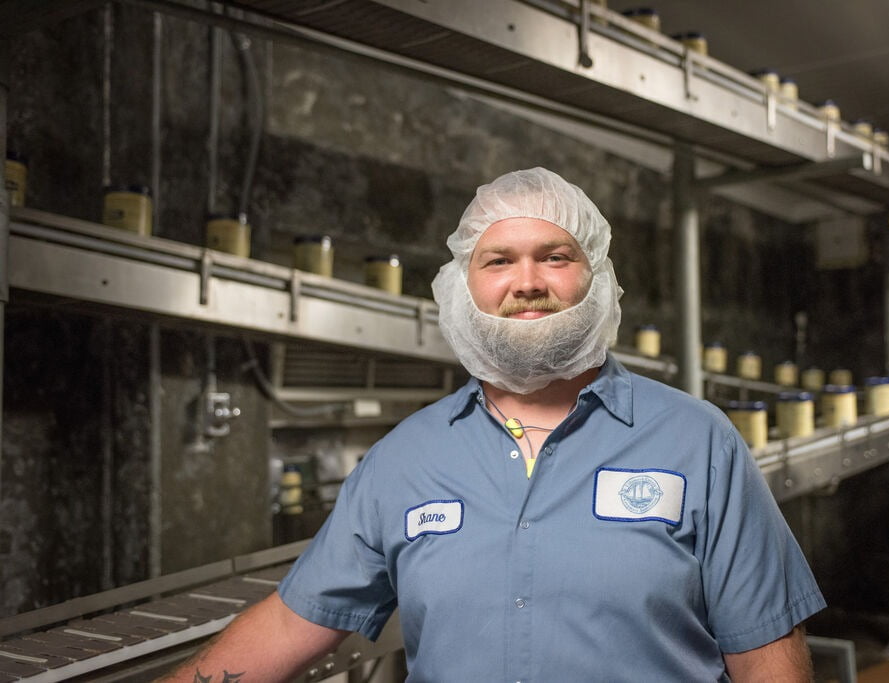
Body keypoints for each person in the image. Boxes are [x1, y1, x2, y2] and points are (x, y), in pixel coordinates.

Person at [161, 167, 825, 682]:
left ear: (596, 279)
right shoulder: (405, 460)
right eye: (498, 260)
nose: (527, 280)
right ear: (460, 287)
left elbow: (766, 652)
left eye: (555, 256)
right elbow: (290, 622)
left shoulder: (697, 441)